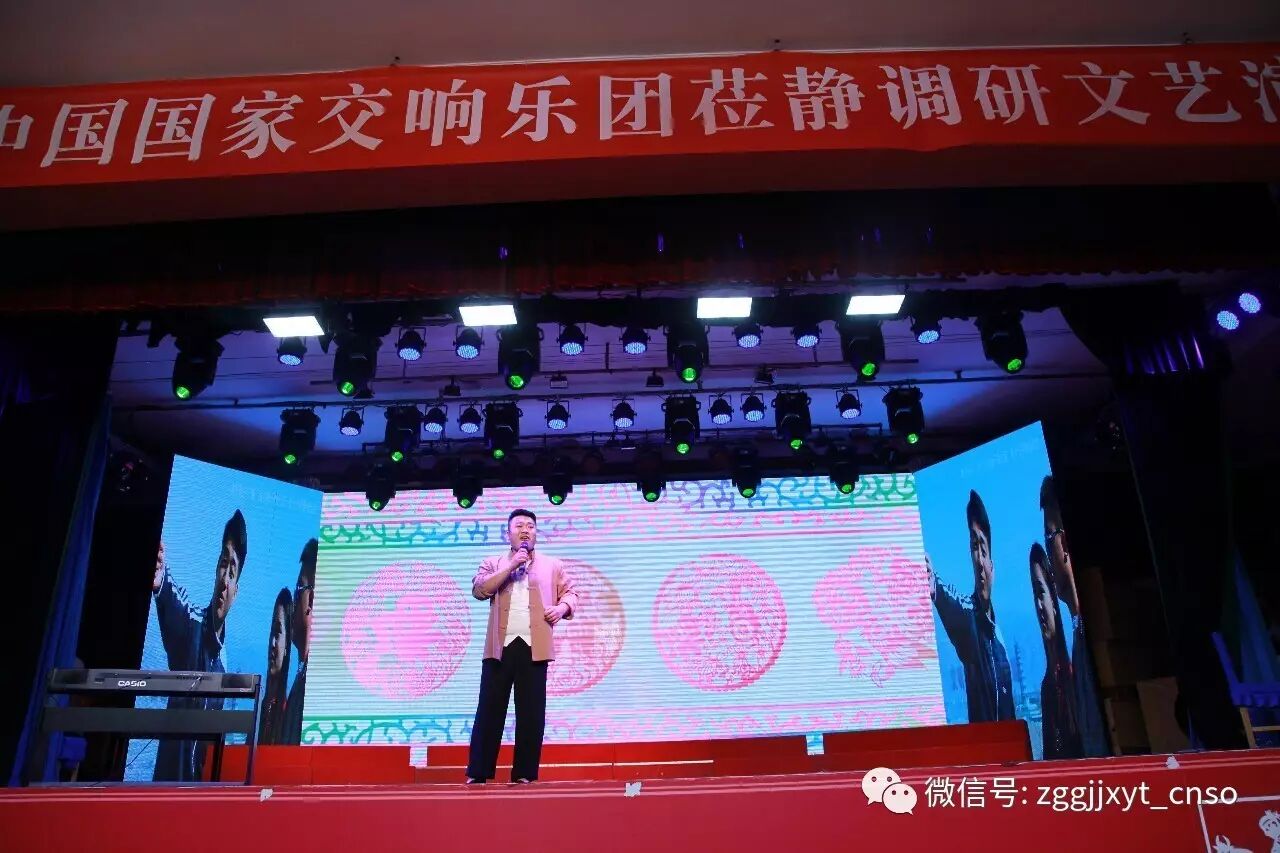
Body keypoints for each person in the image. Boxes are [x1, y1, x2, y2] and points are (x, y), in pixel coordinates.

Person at [466, 509, 579, 784]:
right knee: (489, 710)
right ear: (509, 533)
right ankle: (479, 772)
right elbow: (480, 590)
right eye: (519, 526)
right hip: (499, 647)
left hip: (534, 647)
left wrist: (561, 608)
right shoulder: (493, 562)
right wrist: (510, 566)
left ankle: (524, 773)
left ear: (536, 533)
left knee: (531, 713)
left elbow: (571, 593)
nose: (525, 530)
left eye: (530, 526)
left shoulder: (553, 565)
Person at [150, 511, 247, 781]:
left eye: (232, 572)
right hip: (166, 792)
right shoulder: (190, 624)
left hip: (199, 795)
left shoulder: (224, 664)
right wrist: (160, 574)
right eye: (223, 564)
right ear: (215, 569)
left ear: (236, 590)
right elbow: (169, 595)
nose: (225, 579)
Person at [928, 490, 1015, 723]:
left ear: (992, 566)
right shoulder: (969, 616)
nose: (978, 558)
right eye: (973, 547)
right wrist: (932, 581)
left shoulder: (1000, 639)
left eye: (983, 550)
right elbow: (950, 601)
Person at [1040, 476, 1109, 756]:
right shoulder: (1078, 637)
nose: (1049, 557)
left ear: (1066, 544)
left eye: (1049, 540)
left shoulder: (1097, 639)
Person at [1029, 543, 1082, 759]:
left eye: (1041, 592)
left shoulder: (1074, 672)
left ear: (1053, 598)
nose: (1038, 604)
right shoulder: (1047, 684)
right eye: (1034, 594)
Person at [280, 538, 317, 745]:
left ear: (311, 600)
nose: (293, 603)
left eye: (298, 589)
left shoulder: (315, 682)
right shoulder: (302, 674)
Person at [258, 588, 293, 746]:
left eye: (278, 633)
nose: (272, 643)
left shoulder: (287, 713)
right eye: (272, 632)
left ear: (286, 645)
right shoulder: (261, 708)